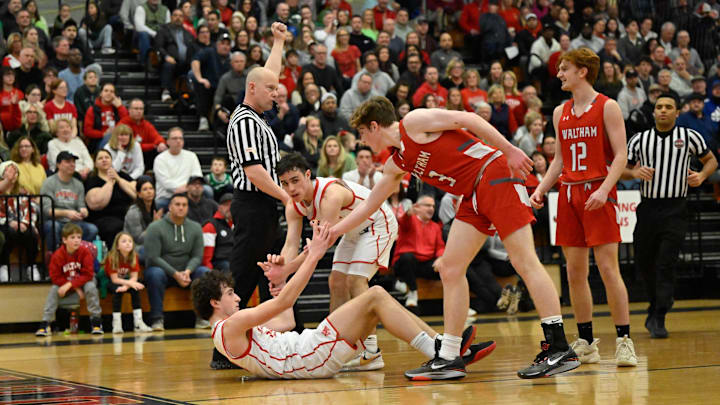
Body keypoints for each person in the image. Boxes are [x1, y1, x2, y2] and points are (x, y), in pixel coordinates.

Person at [331, 95, 578, 380]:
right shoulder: (397, 161)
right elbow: (370, 204)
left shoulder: (413, 122)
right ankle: (449, 354)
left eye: (361, 133)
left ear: (374, 126)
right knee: (450, 268)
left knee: (525, 261)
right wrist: (335, 231)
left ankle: (559, 346)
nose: (362, 141)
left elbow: (468, 119)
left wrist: (510, 149)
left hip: (494, 173)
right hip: (473, 193)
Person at [194, 222, 495, 379]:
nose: (236, 297)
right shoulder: (228, 327)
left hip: (308, 351)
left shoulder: (229, 331)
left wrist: (282, 279)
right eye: (230, 294)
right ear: (214, 303)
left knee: (377, 298)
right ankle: (441, 351)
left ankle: (444, 348)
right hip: (308, 357)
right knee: (374, 295)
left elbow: (285, 321)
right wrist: (313, 254)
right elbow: (283, 305)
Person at [529, 48, 638, 368]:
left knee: (608, 269)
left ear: (583, 72)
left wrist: (605, 190)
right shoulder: (560, 111)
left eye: (565, 69)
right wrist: (541, 188)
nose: (559, 74)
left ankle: (624, 340)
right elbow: (559, 161)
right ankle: (587, 342)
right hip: (568, 194)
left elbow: (621, 155)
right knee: (575, 272)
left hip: (598, 191)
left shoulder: (608, 106)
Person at [263, 153, 397, 370]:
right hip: (352, 232)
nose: (290, 188)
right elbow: (290, 244)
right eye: (285, 183)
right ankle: (335, 345)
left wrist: (287, 269)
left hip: (377, 224)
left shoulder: (329, 195)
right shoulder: (293, 205)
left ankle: (371, 351)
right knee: (335, 282)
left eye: (295, 180)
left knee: (355, 281)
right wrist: (281, 266)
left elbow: (320, 245)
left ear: (308, 175)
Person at [222, 21, 291, 369]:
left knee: (270, 272)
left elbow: (269, 74)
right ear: (251, 89)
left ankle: (279, 341)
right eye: (270, 90)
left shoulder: (258, 112)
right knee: (243, 275)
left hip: (263, 205)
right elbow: (254, 172)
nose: (276, 94)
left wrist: (278, 41)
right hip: (252, 205)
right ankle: (222, 347)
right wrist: (287, 197)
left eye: (277, 90)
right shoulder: (245, 121)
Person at [623, 93, 717, 338]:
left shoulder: (689, 137)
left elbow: (711, 161)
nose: (663, 110)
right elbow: (620, 169)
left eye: (668, 107)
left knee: (666, 261)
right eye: (659, 107)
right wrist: (633, 174)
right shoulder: (639, 140)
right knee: (644, 261)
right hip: (648, 208)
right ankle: (657, 303)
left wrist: (701, 176)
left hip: (676, 208)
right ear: (654, 112)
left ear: (677, 112)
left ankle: (660, 314)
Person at [144, 193, 210, 331]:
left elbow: (198, 256)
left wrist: (187, 272)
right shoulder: (155, 227)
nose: (181, 208)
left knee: (205, 272)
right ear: (170, 207)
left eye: (184, 205)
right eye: (177, 204)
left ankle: (202, 317)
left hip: (187, 273)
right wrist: (175, 274)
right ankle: (157, 319)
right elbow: (153, 257)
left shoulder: (196, 227)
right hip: (164, 273)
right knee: (154, 273)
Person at [35, 223, 103, 336]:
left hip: (84, 282)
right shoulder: (57, 255)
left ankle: (96, 322)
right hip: (68, 283)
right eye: (72, 237)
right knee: (54, 289)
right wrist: (74, 287)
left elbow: (88, 274)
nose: (77, 240)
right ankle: (45, 324)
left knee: (91, 286)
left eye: (79, 237)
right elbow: (55, 277)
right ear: (64, 240)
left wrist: (71, 285)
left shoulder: (85, 252)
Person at [391, 194, 445, 308]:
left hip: (424, 263)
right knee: (407, 258)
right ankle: (413, 292)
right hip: (405, 262)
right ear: (417, 207)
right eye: (427, 205)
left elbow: (440, 247)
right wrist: (408, 213)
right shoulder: (410, 220)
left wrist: (440, 258)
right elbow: (403, 221)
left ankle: (456, 304)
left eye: (433, 206)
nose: (431, 208)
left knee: (447, 266)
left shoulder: (435, 227)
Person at [40, 151, 98, 250]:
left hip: (73, 222)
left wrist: (84, 212)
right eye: (68, 161)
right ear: (58, 164)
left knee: (92, 229)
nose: (72, 164)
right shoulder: (49, 183)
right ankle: (55, 257)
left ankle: (78, 254)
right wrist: (66, 213)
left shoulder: (78, 184)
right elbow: (46, 210)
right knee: (53, 227)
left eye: (73, 162)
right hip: (54, 221)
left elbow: (81, 205)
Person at [84, 149, 136, 245]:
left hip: (127, 215)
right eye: (100, 158)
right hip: (104, 218)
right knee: (116, 227)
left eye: (107, 157)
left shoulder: (122, 175)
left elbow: (137, 194)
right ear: (95, 164)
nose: (104, 160)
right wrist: (110, 182)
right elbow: (96, 204)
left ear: (111, 161)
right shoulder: (92, 180)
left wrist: (118, 179)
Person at [105, 232, 153, 334]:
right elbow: (114, 279)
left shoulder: (134, 256)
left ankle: (138, 323)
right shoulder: (112, 257)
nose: (128, 243)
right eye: (124, 241)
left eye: (130, 241)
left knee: (135, 288)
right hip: (111, 281)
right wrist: (127, 285)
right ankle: (117, 324)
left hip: (126, 281)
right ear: (117, 246)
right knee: (117, 290)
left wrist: (126, 287)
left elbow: (134, 277)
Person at [0, 161, 39, 282]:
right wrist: (9, 222)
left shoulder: (23, 192)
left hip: (22, 223)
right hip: (3, 224)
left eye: (15, 170)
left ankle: (31, 266)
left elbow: (31, 208)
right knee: (8, 233)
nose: (13, 173)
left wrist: (26, 223)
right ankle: (4, 267)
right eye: (9, 170)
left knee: (31, 233)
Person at [153, 127, 204, 209]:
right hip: (168, 195)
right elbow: (165, 183)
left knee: (208, 190)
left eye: (180, 138)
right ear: (168, 141)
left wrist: (187, 188)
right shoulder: (160, 159)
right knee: (158, 203)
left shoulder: (192, 156)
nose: (178, 141)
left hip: (189, 193)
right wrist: (184, 188)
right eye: (174, 138)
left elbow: (197, 176)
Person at [117, 99, 168, 170]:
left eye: (141, 109)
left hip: (144, 155)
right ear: (129, 110)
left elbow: (157, 137)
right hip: (128, 155)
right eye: (136, 108)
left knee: (161, 150)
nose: (139, 111)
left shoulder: (146, 124)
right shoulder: (123, 124)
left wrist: (161, 143)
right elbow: (130, 145)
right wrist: (153, 145)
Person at [123, 176, 163, 261]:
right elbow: (139, 239)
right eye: (145, 189)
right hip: (135, 248)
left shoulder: (156, 208)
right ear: (139, 194)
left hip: (152, 245)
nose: (149, 192)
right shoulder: (133, 212)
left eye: (151, 188)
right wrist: (153, 225)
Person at [83, 82, 128, 153]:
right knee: (110, 136)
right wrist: (103, 134)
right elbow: (87, 131)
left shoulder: (118, 108)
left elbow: (127, 124)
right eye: (106, 91)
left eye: (111, 91)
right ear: (101, 93)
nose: (109, 93)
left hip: (118, 138)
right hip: (99, 141)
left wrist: (120, 107)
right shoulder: (92, 109)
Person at [201, 193, 233, 271]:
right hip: (219, 263)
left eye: (232, 205)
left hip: (235, 260)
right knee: (226, 265)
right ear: (219, 207)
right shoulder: (210, 225)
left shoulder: (240, 224)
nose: (229, 208)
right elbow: (206, 257)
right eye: (226, 205)